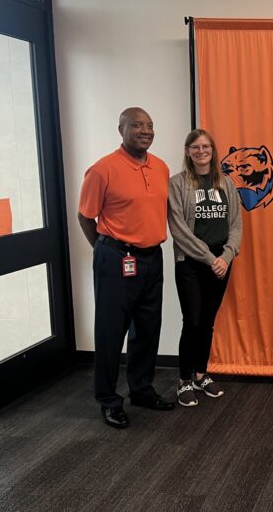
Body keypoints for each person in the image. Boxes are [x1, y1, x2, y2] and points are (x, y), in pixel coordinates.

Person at [78, 107, 175, 429]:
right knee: (110, 331)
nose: (145, 130)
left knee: (147, 328)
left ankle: (142, 390)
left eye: (149, 125)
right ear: (121, 129)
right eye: (136, 125)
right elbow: (85, 216)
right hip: (116, 257)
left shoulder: (161, 167)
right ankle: (108, 400)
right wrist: (107, 251)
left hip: (152, 257)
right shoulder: (102, 169)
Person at [168, 129, 242, 407]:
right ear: (187, 151)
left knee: (208, 322)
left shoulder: (226, 183)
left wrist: (226, 255)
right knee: (193, 321)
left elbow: (236, 224)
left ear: (213, 150)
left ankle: (201, 375)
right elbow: (179, 230)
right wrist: (210, 259)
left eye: (206, 146)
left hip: (221, 263)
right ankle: (184, 380)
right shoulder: (177, 184)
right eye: (195, 147)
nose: (201, 151)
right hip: (191, 264)